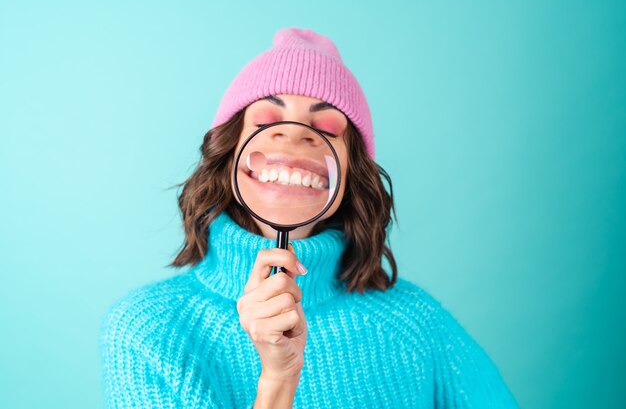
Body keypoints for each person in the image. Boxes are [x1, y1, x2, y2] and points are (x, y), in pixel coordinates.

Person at [100, 27, 520, 409]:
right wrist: (278, 382)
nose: (295, 133)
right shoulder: (148, 330)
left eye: (326, 128)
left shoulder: (416, 324)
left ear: (352, 176)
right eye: (267, 120)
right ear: (228, 154)